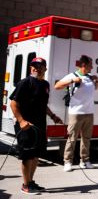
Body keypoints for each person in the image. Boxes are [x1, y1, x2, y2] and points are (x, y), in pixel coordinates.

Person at [10, 57, 63, 195]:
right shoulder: (25, 83)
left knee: (35, 155)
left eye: (39, 66)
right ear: (30, 68)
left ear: (45, 68)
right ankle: (26, 185)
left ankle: (31, 182)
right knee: (27, 156)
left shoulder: (45, 84)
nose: (36, 68)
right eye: (34, 66)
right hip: (26, 126)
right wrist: (21, 121)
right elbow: (13, 104)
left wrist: (53, 116)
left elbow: (43, 105)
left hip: (39, 125)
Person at [54, 55, 98, 172]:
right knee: (72, 138)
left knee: (86, 138)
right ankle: (68, 162)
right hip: (76, 113)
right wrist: (71, 81)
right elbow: (57, 86)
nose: (92, 67)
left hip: (89, 112)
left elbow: (94, 90)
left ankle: (85, 161)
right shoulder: (73, 76)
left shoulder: (90, 77)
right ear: (83, 65)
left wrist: (97, 82)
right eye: (90, 65)